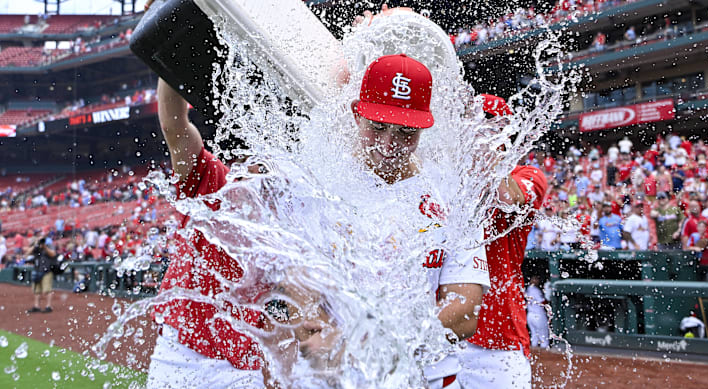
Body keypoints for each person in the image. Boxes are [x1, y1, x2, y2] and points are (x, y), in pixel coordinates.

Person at [146, 20, 488, 386]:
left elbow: (466, 312)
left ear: (425, 128)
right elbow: (296, 281)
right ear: (357, 114)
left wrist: (375, 345)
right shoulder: (315, 182)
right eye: (377, 128)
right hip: (325, 375)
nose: (389, 146)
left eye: (406, 133)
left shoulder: (453, 194)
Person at [459, 95, 548, 389]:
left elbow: (506, 198)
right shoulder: (446, 178)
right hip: (445, 336)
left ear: (506, 132)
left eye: (487, 122)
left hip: (498, 345)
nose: (476, 129)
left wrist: (483, 150)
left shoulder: (528, 175)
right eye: (471, 121)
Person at [25, 235, 56, 313]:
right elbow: (27, 253)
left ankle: (48, 306)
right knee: (36, 290)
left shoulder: (48, 246)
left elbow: (53, 254)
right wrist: (36, 245)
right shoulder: (36, 248)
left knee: (47, 290)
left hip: (47, 271)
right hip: (37, 270)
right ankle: (36, 306)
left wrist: (45, 247)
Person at [525, 275, 549, 349]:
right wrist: (549, 296)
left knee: (534, 336)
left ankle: (535, 355)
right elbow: (542, 302)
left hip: (530, 314)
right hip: (538, 314)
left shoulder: (528, 289)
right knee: (543, 338)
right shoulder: (535, 290)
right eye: (534, 279)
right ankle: (545, 357)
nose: (536, 280)